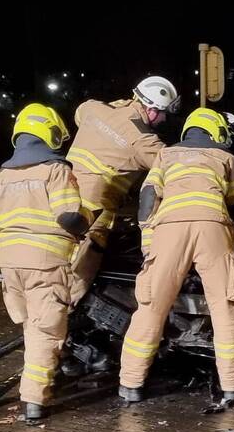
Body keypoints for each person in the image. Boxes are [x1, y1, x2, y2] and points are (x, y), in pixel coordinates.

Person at [118, 108, 234, 404]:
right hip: (212, 227)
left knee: (151, 308)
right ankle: (232, 386)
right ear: (216, 132)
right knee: (225, 308)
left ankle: (130, 384)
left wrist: (148, 243)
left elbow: (148, 198)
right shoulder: (226, 158)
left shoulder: (166, 156)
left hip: (169, 228)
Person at [0, 104, 92, 421]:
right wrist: (89, 220)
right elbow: (69, 216)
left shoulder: (0, 178)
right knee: (46, 333)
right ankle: (33, 402)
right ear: (50, 135)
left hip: (12, 268)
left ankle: (40, 386)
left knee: (32, 329)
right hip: (46, 266)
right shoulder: (55, 171)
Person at [66, 76, 179, 306]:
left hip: (59, 196)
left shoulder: (93, 109)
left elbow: (80, 114)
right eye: (164, 113)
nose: (164, 119)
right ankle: (62, 322)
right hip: (93, 213)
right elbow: (174, 166)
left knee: (54, 259)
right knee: (77, 275)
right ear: (152, 109)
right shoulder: (143, 141)